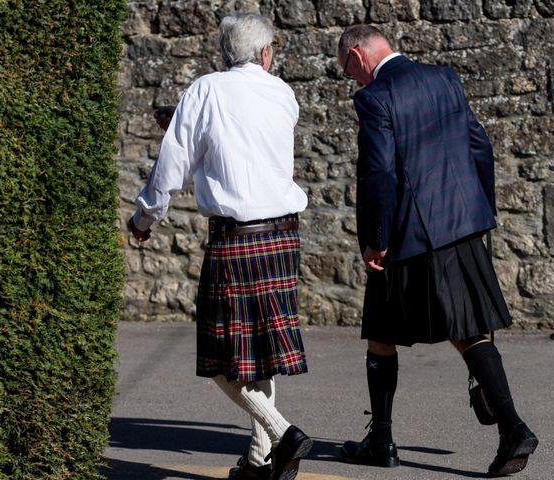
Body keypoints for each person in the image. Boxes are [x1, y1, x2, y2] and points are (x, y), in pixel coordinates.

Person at [335, 24, 538, 476]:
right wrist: (479, 212)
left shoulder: (373, 98)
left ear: (356, 57)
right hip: (462, 224)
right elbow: (480, 147)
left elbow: (380, 174)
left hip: (409, 234)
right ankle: (507, 428)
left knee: (384, 333)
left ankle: (388, 441)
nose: (351, 81)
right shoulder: (444, 77)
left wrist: (376, 239)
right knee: (465, 329)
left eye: (346, 71)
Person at [128, 12, 312, 480]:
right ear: (266, 53)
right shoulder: (283, 94)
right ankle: (259, 460)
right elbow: (246, 143)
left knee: (221, 360)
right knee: (259, 354)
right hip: (283, 237)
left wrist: (145, 216)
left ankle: (282, 431)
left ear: (224, 52)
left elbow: (173, 166)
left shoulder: (205, 90)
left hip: (236, 241)